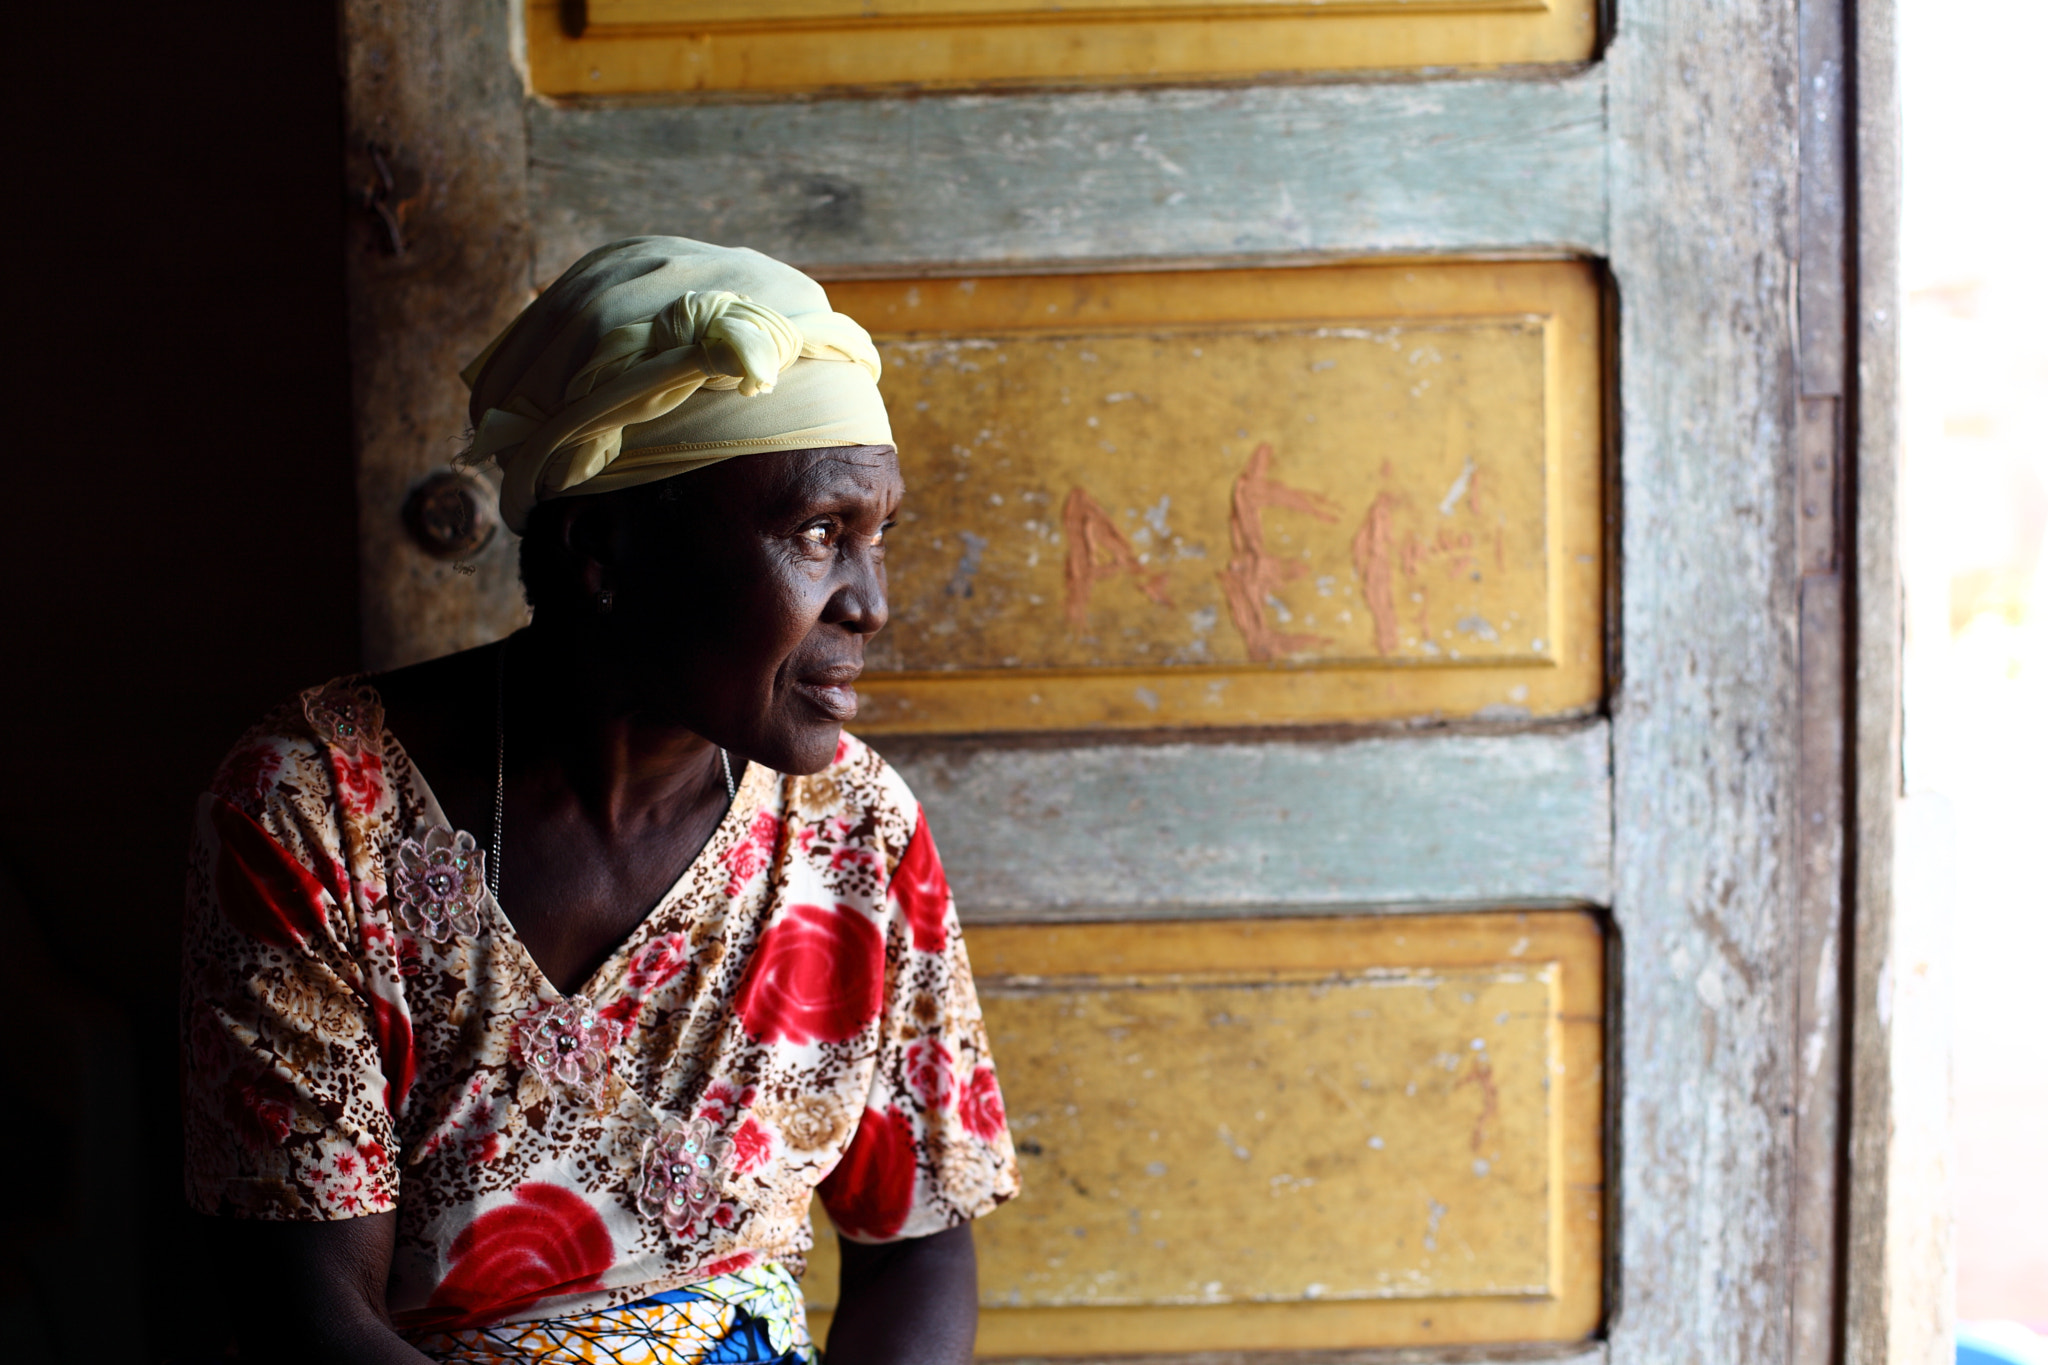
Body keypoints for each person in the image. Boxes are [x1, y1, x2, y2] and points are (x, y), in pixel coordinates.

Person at [181, 237, 1020, 1365]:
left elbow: (917, 1241)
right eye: (821, 533)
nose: (867, 603)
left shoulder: (853, 832)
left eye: (879, 540)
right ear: (601, 546)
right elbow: (310, 1314)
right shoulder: (322, 810)